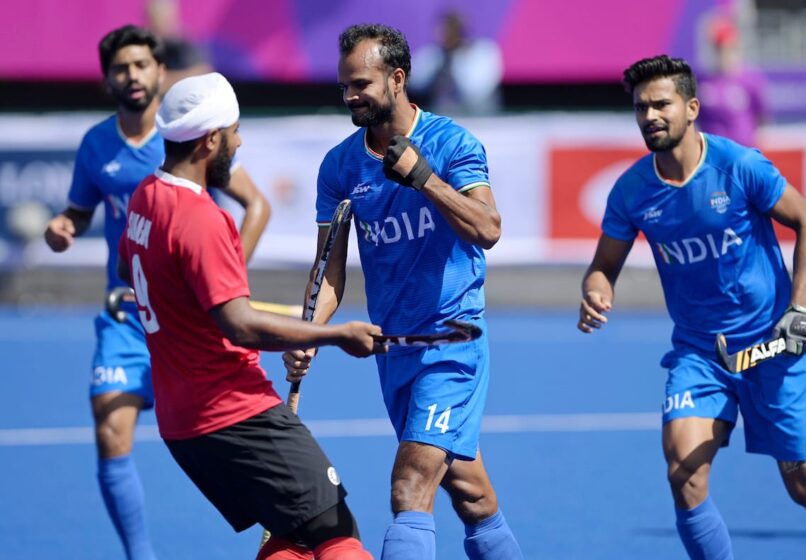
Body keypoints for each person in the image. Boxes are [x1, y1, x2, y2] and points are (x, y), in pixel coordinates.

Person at [578, 54, 806, 559]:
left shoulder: (739, 166)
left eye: (662, 104)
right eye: (641, 108)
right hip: (701, 354)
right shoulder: (632, 190)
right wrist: (597, 290)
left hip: (774, 345)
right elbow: (602, 267)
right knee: (684, 474)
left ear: (692, 108)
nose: (650, 116)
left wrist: (801, 309)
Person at [118, 71, 382, 560]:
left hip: (182, 426)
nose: (239, 142)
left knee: (294, 535)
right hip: (234, 412)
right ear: (211, 139)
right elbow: (238, 324)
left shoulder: (144, 198)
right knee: (337, 529)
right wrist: (335, 333)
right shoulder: (201, 218)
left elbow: (130, 270)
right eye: (234, 131)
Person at [283, 23, 523, 560]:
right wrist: (308, 333)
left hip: (453, 343)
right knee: (470, 491)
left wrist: (427, 180)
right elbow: (331, 272)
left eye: (361, 84)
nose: (350, 96)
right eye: (344, 84)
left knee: (410, 483)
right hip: (394, 352)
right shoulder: (340, 167)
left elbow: (488, 229)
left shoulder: (451, 142)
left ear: (397, 78)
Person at [42, 25, 270, 559]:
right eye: (122, 68)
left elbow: (256, 205)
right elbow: (79, 210)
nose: (133, 76)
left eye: (142, 65)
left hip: (188, 323)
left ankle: (285, 524)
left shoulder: (186, 138)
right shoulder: (96, 145)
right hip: (126, 315)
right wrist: (64, 225)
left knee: (230, 433)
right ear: (108, 80)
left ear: (160, 72)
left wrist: (222, 279)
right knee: (110, 429)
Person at [408, 12, 502, 115]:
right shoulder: (435, 55)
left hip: (481, 120)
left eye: (450, 29)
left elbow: (476, 92)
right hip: (442, 119)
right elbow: (413, 81)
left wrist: (454, 59)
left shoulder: (483, 52)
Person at [697, 17, 767, 147]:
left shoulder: (750, 80)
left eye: (729, 48)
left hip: (741, 151)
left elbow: (761, 116)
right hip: (711, 153)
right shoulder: (702, 82)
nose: (724, 53)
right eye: (719, 48)